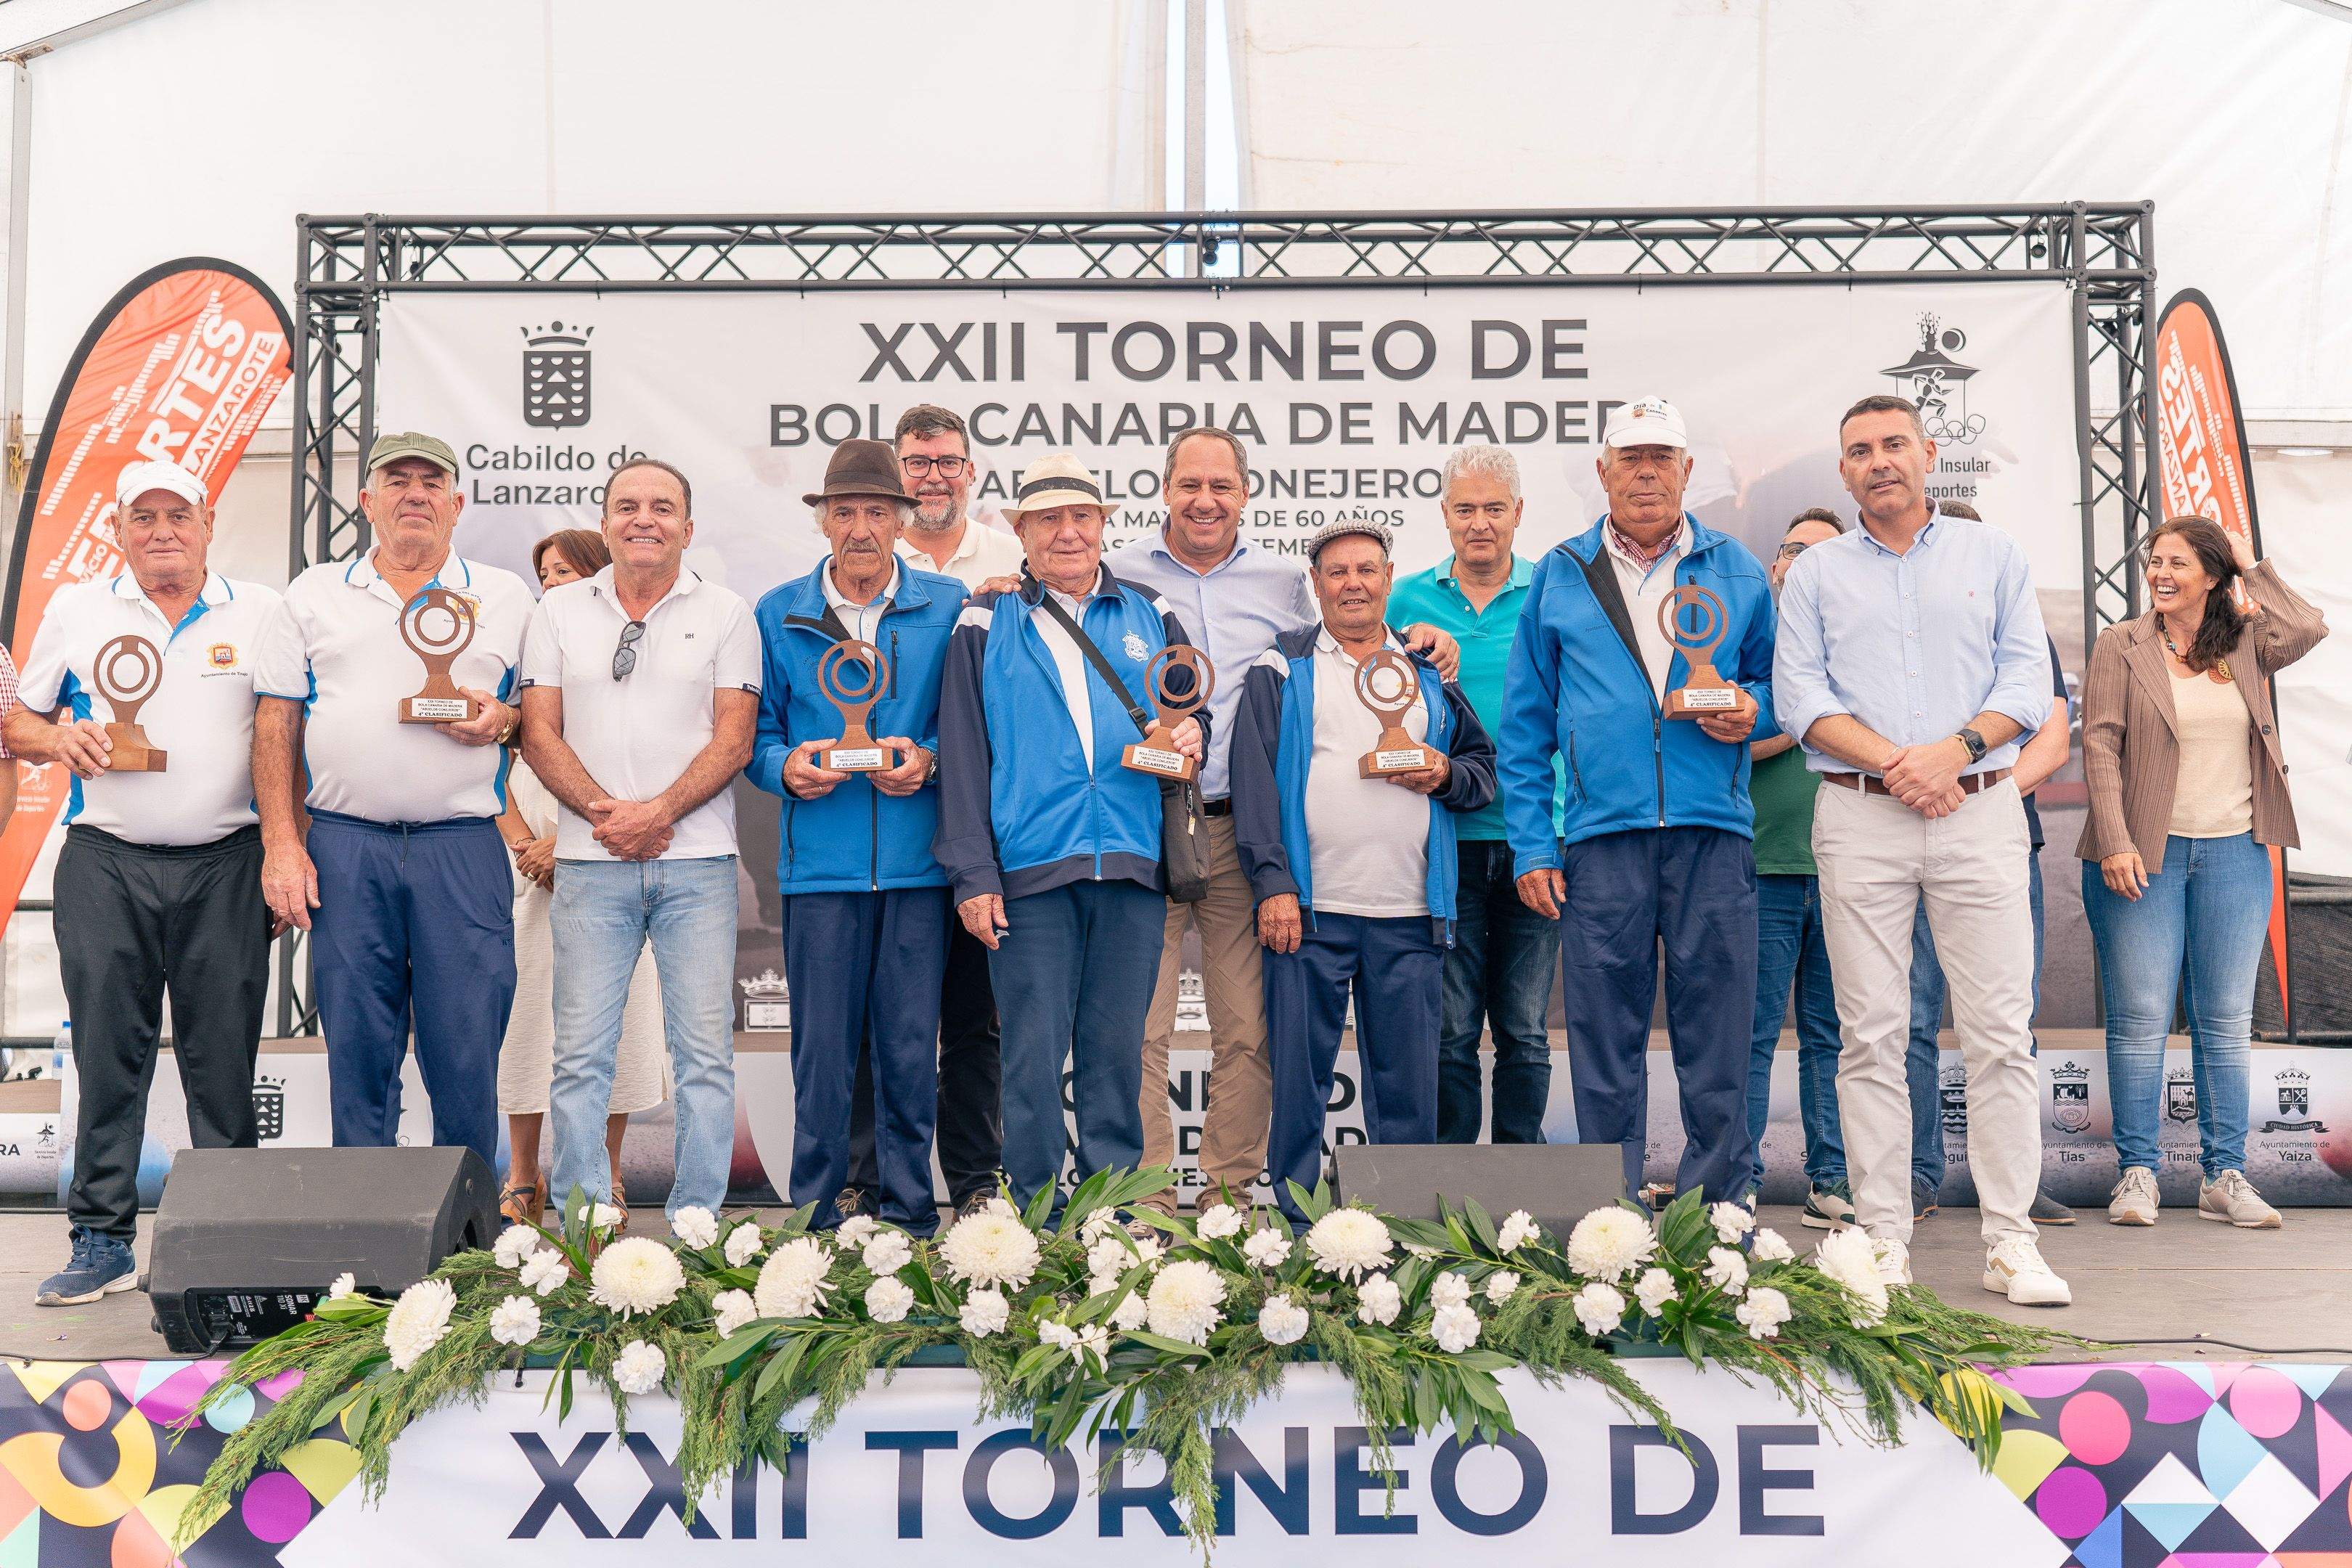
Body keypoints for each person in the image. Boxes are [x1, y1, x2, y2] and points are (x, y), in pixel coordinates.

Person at [1111, 426, 1457, 1212]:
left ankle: (1228, 1201)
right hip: (1146, 823)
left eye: (1221, 486)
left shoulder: (1284, 584)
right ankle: (1147, 1205)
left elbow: (1353, 634)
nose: (1205, 500)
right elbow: (1053, 589)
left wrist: (1425, 638)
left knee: (1250, 1030)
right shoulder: (1118, 572)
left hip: (1242, 830)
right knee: (1141, 1029)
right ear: (1165, 490)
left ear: (1245, 494)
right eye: (1190, 484)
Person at [1775, 393, 2069, 1307]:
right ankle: (1882, 1239)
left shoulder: (1996, 554)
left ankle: (2011, 1242)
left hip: (1978, 810)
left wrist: (1955, 752)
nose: (1879, 461)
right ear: (1844, 470)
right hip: (1861, 816)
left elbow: (2027, 682)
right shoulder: (1816, 573)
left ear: (1929, 453)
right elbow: (1800, 697)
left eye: (1894, 444)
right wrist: (1904, 765)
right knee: (1869, 1036)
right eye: (1860, 450)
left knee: (2000, 1036)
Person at [12, 462, 278, 1304]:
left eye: (178, 516)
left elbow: (288, 735)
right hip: (106, 860)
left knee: (223, 1062)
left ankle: (226, 1242)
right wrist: (57, 741)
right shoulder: (76, 608)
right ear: (117, 530)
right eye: (144, 517)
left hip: (227, 861)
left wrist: (285, 850)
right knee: (107, 1058)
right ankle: (102, 1243)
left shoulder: (261, 610)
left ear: (208, 523)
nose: (163, 532)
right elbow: (17, 717)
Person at [1499, 396, 1776, 1204]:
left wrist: (1752, 708)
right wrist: (1534, 846)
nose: (1646, 473)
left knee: (1718, 1039)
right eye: (1631, 458)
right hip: (1601, 841)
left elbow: (1779, 686)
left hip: (1712, 836)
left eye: (1662, 458)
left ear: (1688, 470)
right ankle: (1609, 1221)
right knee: (1603, 1042)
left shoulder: (1737, 567)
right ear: (1603, 471)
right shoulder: (1560, 572)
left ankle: (1717, 1216)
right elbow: (1524, 729)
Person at [934, 452, 1201, 1220]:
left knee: (1116, 1057)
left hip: (1133, 867)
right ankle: (1040, 1221)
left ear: (1104, 525)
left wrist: (1195, 736)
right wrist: (974, 875)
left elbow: (1191, 712)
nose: (1067, 532)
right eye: (1048, 519)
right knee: (1030, 1060)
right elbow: (963, 754)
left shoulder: (1152, 612)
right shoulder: (985, 620)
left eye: (1082, 516)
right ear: (1021, 532)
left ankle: (1111, 1218)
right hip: (1029, 870)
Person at [254, 433, 533, 1166]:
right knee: (358, 1051)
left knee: (467, 1052)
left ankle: (469, 1221)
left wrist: (503, 720)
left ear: (457, 503)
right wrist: (281, 844)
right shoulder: (314, 592)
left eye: (431, 482)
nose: (415, 494)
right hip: (346, 845)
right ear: (366, 501)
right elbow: (277, 723)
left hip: (461, 846)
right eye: (397, 480)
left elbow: (537, 719)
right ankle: (364, 1219)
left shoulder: (507, 596)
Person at [1234, 520, 1495, 1225]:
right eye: (1338, 572)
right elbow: (1253, 783)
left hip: (1409, 914)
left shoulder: (1427, 668)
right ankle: (1293, 1229)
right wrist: (1274, 885)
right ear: (1316, 585)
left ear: (1388, 580)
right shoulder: (1280, 666)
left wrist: (1443, 773)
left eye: (1366, 570)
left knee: (1407, 1090)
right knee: (1299, 1085)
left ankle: (1399, 1231)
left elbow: (1481, 771)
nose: (1353, 583)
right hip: (1310, 914)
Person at [518, 459, 759, 1221]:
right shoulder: (557, 612)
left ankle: (698, 1229)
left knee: (704, 1061)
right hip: (590, 866)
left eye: (661, 507)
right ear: (605, 523)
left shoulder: (726, 612)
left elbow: (735, 738)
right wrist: (607, 816)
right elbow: (538, 732)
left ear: (688, 527)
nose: (643, 519)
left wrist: (657, 813)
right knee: (580, 1058)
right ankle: (584, 1229)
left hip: (698, 865)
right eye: (627, 506)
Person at [811, 404, 1028, 1226]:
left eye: (946, 462)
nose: (932, 476)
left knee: (974, 1017)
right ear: (896, 481)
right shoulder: (851, 564)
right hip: (883, 842)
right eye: (917, 463)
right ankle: (865, 1180)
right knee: (877, 1022)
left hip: (977, 831)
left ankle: (974, 1180)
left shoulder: (1013, 557)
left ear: (970, 472)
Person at [2081, 517, 2325, 1230]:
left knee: (2224, 1019)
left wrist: (2252, 564)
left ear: (2213, 577)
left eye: (2178, 563)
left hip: (2236, 853)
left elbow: (2307, 628)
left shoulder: (2246, 640)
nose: (2160, 574)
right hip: (2141, 854)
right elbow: (2100, 744)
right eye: (2155, 561)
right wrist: (2116, 839)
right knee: (2139, 1019)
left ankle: (2224, 1176)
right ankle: (2138, 1174)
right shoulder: (2121, 644)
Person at [751, 438, 964, 1235]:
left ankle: (910, 1215)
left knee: (909, 1051)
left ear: (904, 520)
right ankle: (819, 1215)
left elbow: (971, 725)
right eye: (845, 512)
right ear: (823, 522)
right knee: (822, 1056)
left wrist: (929, 760)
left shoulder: (950, 604)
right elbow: (755, 734)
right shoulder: (777, 611)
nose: (862, 528)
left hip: (918, 869)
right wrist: (784, 767)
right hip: (820, 870)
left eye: (878, 511)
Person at [494, 529, 668, 1226]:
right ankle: (524, 1177)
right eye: (543, 575)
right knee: (527, 1019)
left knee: (616, 1021)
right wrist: (524, 846)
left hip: (614, 860)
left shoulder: (634, 660)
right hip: (528, 878)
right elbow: (489, 770)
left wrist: (569, 847)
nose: (550, 586)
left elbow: (649, 769)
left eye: (563, 572)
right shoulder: (521, 661)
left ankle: (608, 1175)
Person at [1387, 446, 1559, 1146]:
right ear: (1445, 516)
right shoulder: (1405, 600)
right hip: (1443, 841)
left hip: (1535, 840)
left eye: (1494, 508)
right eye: (1466, 509)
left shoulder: (1554, 589)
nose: (1479, 523)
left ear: (1519, 512)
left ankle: (1522, 1175)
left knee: (1525, 1028)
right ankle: (1449, 1180)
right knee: (1452, 1029)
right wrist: (1406, 639)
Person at [1742, 507, 1852, 1228]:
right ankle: (1737, 1181)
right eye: (1792, 550)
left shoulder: (1861, 645)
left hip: (1848, 869)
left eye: (1821, 552)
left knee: (1832, 1038)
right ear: (1775, 567)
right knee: (1748, 1036)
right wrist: (1803, 718)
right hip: (1761, 867)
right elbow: (1723, 740)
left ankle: (1832, 1181)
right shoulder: (1748, 642)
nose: (1802, 561)